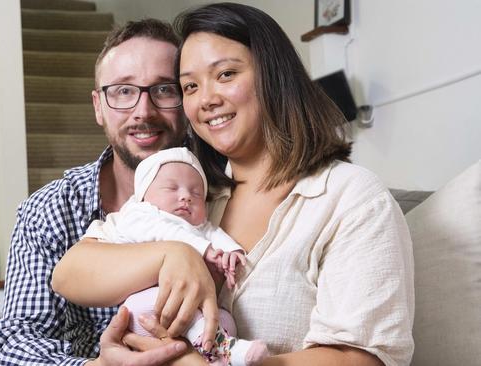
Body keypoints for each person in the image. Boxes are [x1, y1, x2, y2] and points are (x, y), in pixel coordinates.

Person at [53, 3, 415, 366]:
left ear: (274, 75)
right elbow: (71, 271)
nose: (207, 99)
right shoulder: (194, 195)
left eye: (225, 74)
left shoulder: (348, 197)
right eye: (190, 86)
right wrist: (171, 254)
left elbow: (364, 359)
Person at [0, 19, 193, 365]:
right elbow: (12, 343)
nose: (143, 111)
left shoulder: (223, 191)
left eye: (164, 89)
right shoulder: (50, 211)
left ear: (186, 99)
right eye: (123, 91)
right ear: (98, 106)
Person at [74, 146, 268, 366]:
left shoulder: (197, 227)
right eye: (171, 188)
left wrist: (232, 251)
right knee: (169, 301)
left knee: (224, 318)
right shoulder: (139, 214)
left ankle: (213, 357)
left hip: (182, 310)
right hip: (142, 309)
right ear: (144, 194)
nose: (186, 196)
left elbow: (213, 232)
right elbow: (168, 234)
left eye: (196, 193)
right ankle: (220, 347)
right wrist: (205, 250)